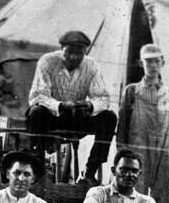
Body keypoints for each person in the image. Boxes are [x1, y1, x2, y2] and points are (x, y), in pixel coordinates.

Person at [25, 30, 115, 185]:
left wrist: (89, 105)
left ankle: (89, 172)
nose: (74, 57)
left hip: (77, 118)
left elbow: (103, 98)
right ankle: (38, 171)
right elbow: (38, 95)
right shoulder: (47, 61)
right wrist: (60, 106)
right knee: (35, 112)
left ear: (85, 52)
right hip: (52, 117)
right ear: (62, 50)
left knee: (109, 117)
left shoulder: (91, 65)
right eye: (69, 52)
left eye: (79, 53)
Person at [116, 43, 169, 203]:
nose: (153, 66)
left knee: (161, 194)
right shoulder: (132, 91)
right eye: (148, 62)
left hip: (162, 149)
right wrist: (121, 152)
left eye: (156, 61)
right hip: (138, 148)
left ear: (163, 63)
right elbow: (122, 124)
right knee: (135, 192)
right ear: (141, 63)